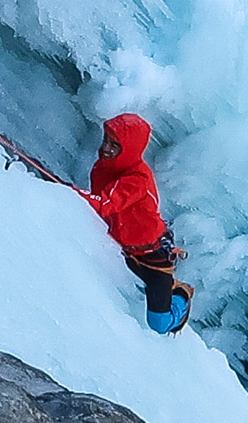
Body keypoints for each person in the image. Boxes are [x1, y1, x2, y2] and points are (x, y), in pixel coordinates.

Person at [81, 113, 191, 333]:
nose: (107, 148)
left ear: (130, 149)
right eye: (107, 141)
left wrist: (67, 190)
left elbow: (104, 204)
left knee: (159, 324)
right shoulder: (104, 167)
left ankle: (183, 295)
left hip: (153, 256)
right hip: (127, 249)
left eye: (116, 145)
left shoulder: (137, 180)